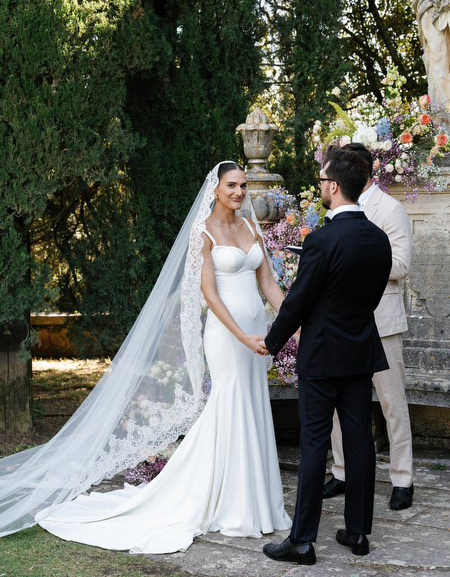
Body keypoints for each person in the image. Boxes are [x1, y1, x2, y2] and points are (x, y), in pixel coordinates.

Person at [0, 161, 291, 552]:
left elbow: (269, 284)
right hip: (228, 335)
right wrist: (242, 337)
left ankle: (256, 503)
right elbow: (210, 294)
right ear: (216, 189)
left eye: (242, 186)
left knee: (252, 407)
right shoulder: (202, 231)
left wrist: (292, 327)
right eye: (231, 185)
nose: (239, 192)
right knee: (230, 404)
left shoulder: (251, 227)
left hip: (260, 334)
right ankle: (232, 507)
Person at [260, 147, 392, 565]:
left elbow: (298, 301)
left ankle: (301, 541)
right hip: (359, 351)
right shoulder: (378, 238)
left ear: (333, 187)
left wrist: (272, 340)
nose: (321, 187)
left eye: (321, 181)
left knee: (315, 443)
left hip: (320, 355)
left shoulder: (320, 240)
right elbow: (369, 298)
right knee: (359, 442)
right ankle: (357, 533)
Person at [323, 142, 414, 510]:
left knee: (392, 403)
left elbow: (403, 265)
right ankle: (342, 471)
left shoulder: (390, 209)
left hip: (382, 322)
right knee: (337, 405)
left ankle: (402, 479)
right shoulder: (337, 206)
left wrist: (355, 262)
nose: (326, 181)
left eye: (330, 173)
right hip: (342, 322)